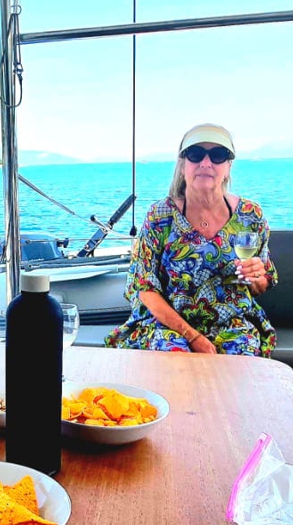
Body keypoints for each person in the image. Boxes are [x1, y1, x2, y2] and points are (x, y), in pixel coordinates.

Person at [105, 123, 277, 355]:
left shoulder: (250, 216)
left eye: (217, 155)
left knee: (240, 361)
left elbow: (261, 284)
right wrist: (193, 336)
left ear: (228, 167)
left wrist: (255, 276)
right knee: (176, 357)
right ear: (183, 164)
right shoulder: (160, 216)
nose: (206, 163)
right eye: (196, 155)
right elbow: (145, 289)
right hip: (168, 324)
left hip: (232, 323)